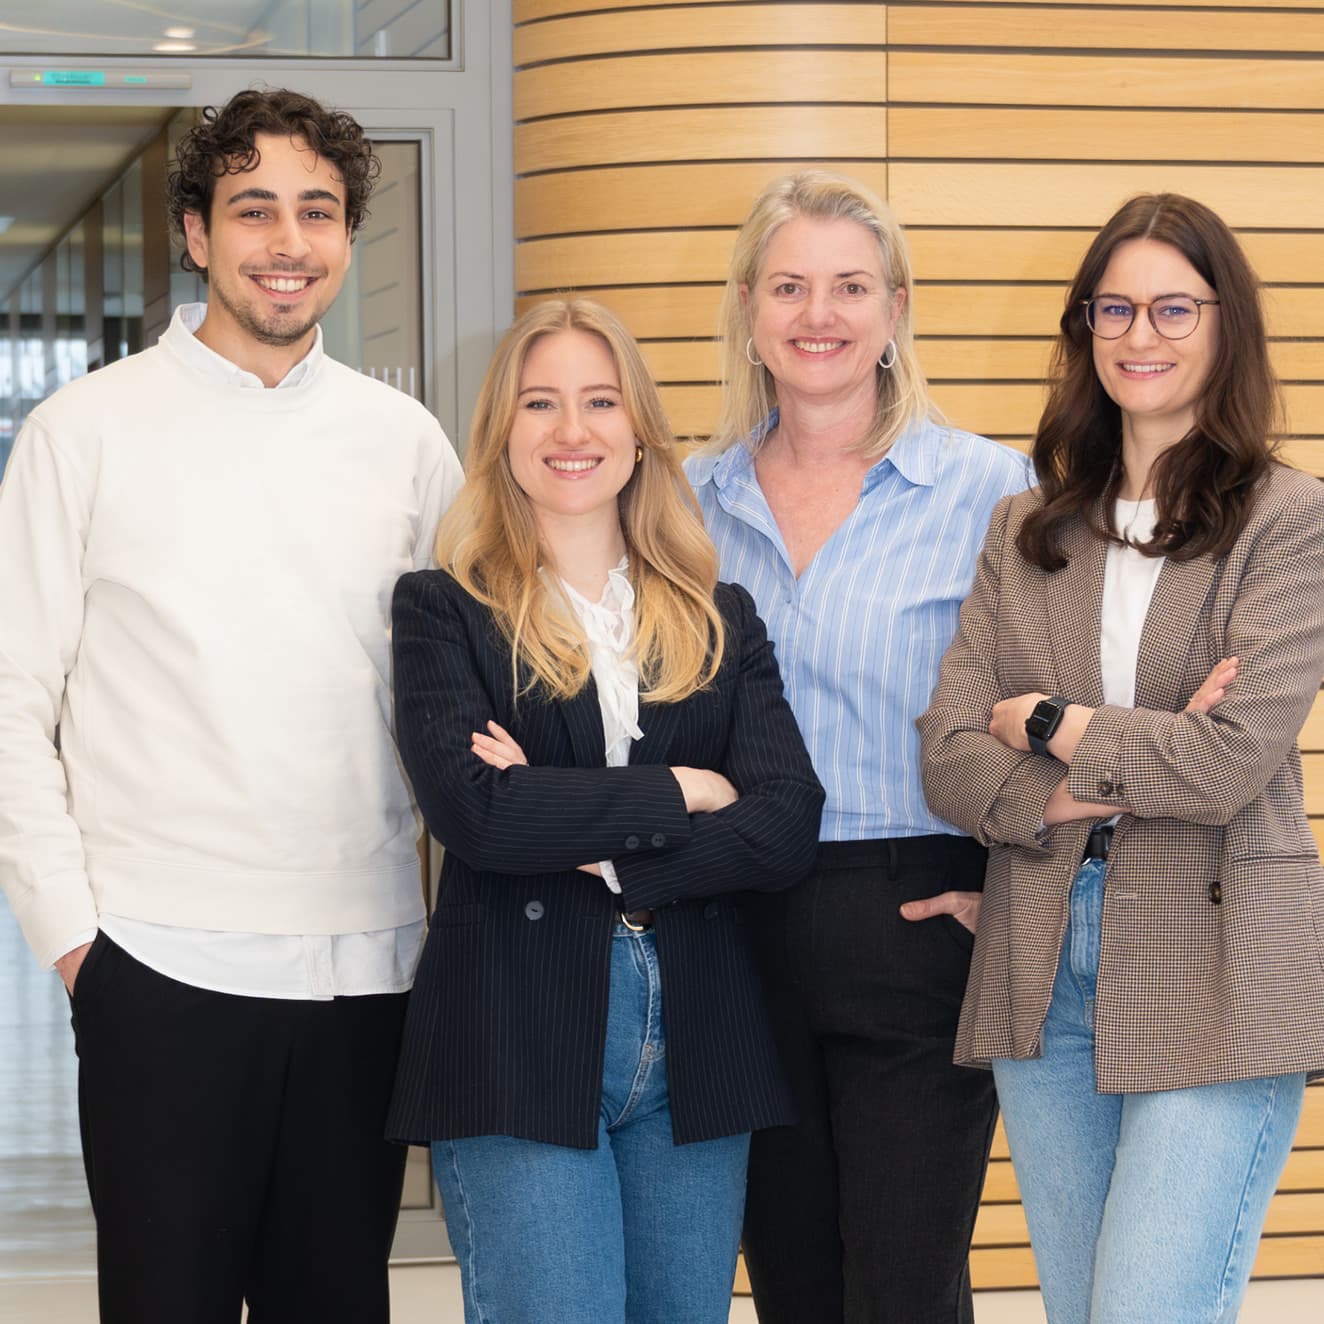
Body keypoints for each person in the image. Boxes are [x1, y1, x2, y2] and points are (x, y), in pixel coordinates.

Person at [0, 89, 463, 1322]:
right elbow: (13, 696)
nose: (287, 241)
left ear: (347, 238)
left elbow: (461, 689)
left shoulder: (405, 443)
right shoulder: (81, 429)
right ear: (197, 234)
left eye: (316, 211)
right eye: (253, 209)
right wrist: (74, 937)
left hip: (366, 962)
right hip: (157, 960)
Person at [918, 193, 1324, 1323]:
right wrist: (1119, 759)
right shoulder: (1025, 526)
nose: (1138, 335)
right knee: (1081, 1307)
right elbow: (949, 757)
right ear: (1084, 329)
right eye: (1114, 308)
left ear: (1224, 325)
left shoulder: (1287, 520)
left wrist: (1045, 719)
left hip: (1217, 947)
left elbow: (1228, 763)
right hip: (1044, 950)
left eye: (1171, 308)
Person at [384, 296, 824, 1324]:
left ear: (638, 435)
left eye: (598, 402)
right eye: (540, 404)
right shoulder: (442, 609)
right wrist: (684, 789)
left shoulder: (719, 614)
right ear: (500, 433)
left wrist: (613, 848)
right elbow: (479, 815)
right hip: (519, 1025)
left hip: (699, 1027)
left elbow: (786, 820)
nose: (570, 431)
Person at [686, 169, 1032, 1323]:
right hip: (738, 920)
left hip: (915, 915)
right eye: (787, 285)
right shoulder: (687, 502)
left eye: (847, 286)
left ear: (894, 308)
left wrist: (1006, 885)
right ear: (747, 305)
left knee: (901, 1286)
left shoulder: (989, 490)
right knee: (792, 1282)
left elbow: (1049, 704)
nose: (816, 314)